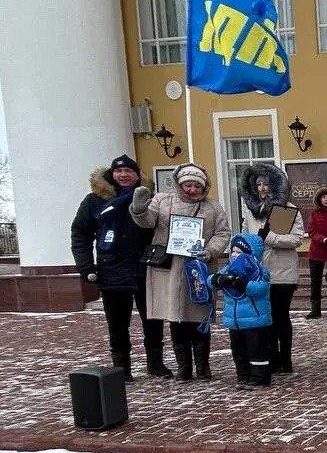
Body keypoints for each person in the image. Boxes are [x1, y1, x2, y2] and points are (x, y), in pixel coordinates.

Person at [130, 164, 231, 381]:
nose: (192, 189)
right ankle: (183, 368)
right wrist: (139, 208)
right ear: (179, 184)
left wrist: (209, 251)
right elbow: (147, 222)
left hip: (198, 268)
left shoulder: (213, 207)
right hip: (169, 269)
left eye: (196, 185)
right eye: (187, 185)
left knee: (199, 318)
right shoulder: (163, 201)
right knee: (175, 317)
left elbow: (223, 234)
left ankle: (203, 367)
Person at [70, 155, 165, 381]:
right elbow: (80, 234)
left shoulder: (149, 198)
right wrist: (85, 265)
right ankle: (122, 367)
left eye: (129, 171)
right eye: (119, 171)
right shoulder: (95, 201)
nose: (124, 175)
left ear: (136, 175)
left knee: (153, 318)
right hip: (111, 269)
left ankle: (155, 363)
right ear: (111, 175)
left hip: (145, 266)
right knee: (117, 323)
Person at [239, 163, 306, 374]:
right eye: (258, 184)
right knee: (264, 317)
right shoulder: (250, 210)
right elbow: (245, 234)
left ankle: (285, 359)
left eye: (266, 184)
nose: (262, 188)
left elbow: (296, 239)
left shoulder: (286, 209)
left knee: (280, 316)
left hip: (282, 272)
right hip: (259, 271)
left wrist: (269, 237)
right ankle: (270, 357)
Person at [213, 233, 273, 390]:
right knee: (239, 351)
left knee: (257, 351)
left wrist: (243, 285)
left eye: (239, 252)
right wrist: (217, 280)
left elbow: (261, 289)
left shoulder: (259, 271)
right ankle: (243, 376)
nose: (234, 255)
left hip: (255, 320)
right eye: (233, 251)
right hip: (235, 321)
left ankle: (260, 377)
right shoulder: (228, 269)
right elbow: (212, 280)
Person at [305, 187, 327, 319]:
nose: (326, 200)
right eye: (323, 197)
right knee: (315, 281)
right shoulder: (314, 213)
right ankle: (315, 309)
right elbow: (311, 231)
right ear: (319, 199)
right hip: (317, 251)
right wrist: (322, 239)